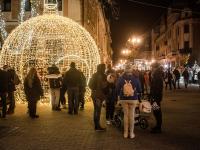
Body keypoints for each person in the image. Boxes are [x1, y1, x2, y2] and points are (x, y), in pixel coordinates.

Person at [116, 64, 141, 139]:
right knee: (132, 115)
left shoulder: (121, 78)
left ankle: (125, 133)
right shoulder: (136, 78)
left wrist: (118, 95)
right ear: (131, 70)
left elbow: (117, 89)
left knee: (126, 115)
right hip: (133, 99)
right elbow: (139, 89)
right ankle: (131, 133)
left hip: (123, 99)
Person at [89, 64, 108, 131]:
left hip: (94, 94)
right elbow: (104, 86)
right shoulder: (102, 76)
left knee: (96, 110)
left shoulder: (94, 75)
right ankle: (97, 126)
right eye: (104, 68)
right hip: (99, 96)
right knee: (98, 110)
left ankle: (96, 125)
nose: (105, 69)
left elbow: (90, 85)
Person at [150, 63, 164, 133]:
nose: (151, 68)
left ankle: (158, 127)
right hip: (156, 97)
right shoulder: (156, 75)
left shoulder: (157, 76)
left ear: (154, 68)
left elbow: (157, 88)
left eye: (152, 67)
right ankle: (158, 126)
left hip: (156, 97)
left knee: (157, 111)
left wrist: (154, 97)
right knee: (156, 111)